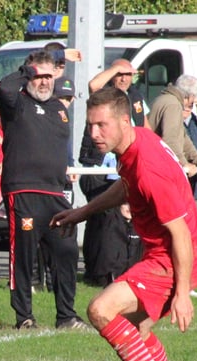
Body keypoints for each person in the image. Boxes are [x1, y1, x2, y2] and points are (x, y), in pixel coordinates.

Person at [50, 87, 197, 361]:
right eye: (90, 126)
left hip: (174, 259)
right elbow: (126, 185)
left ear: (124, 120)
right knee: (135, 329)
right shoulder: (134, 143)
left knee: (101, 309)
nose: (94, 134)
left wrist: (182, 294)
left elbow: (179, 232)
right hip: (165, 255)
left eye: (101, 126)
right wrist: (83, 212)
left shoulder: (149, 166)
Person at [0, 51, 87, 330]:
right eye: (39, 76)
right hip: (22, 191)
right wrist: (29, 70)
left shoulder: (59, 109)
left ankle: (67, 316)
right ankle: (24, 316)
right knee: (23, 255)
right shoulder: (16, 102)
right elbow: (3, 86)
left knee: (66, 251)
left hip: (55, 194)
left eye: (49, 76)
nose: (44, 82)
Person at [78, 59, 151, 286]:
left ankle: (120, 267)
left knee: (121, 220)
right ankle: (98, 269)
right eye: (120, 74)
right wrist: (114, 69)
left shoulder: (137, 97)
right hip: (100, 168)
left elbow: (145, 127)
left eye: (128, 74)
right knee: (100, 217)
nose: (123, 78)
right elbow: (93, 85)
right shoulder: (106, 94)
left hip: (126, 166)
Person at [148, 74, 197, 178]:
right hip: (159, 169)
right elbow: (170, 140)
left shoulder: (165, 99)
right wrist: (184, 164)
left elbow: (183, 137)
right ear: (190, 96)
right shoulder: (173, 105)